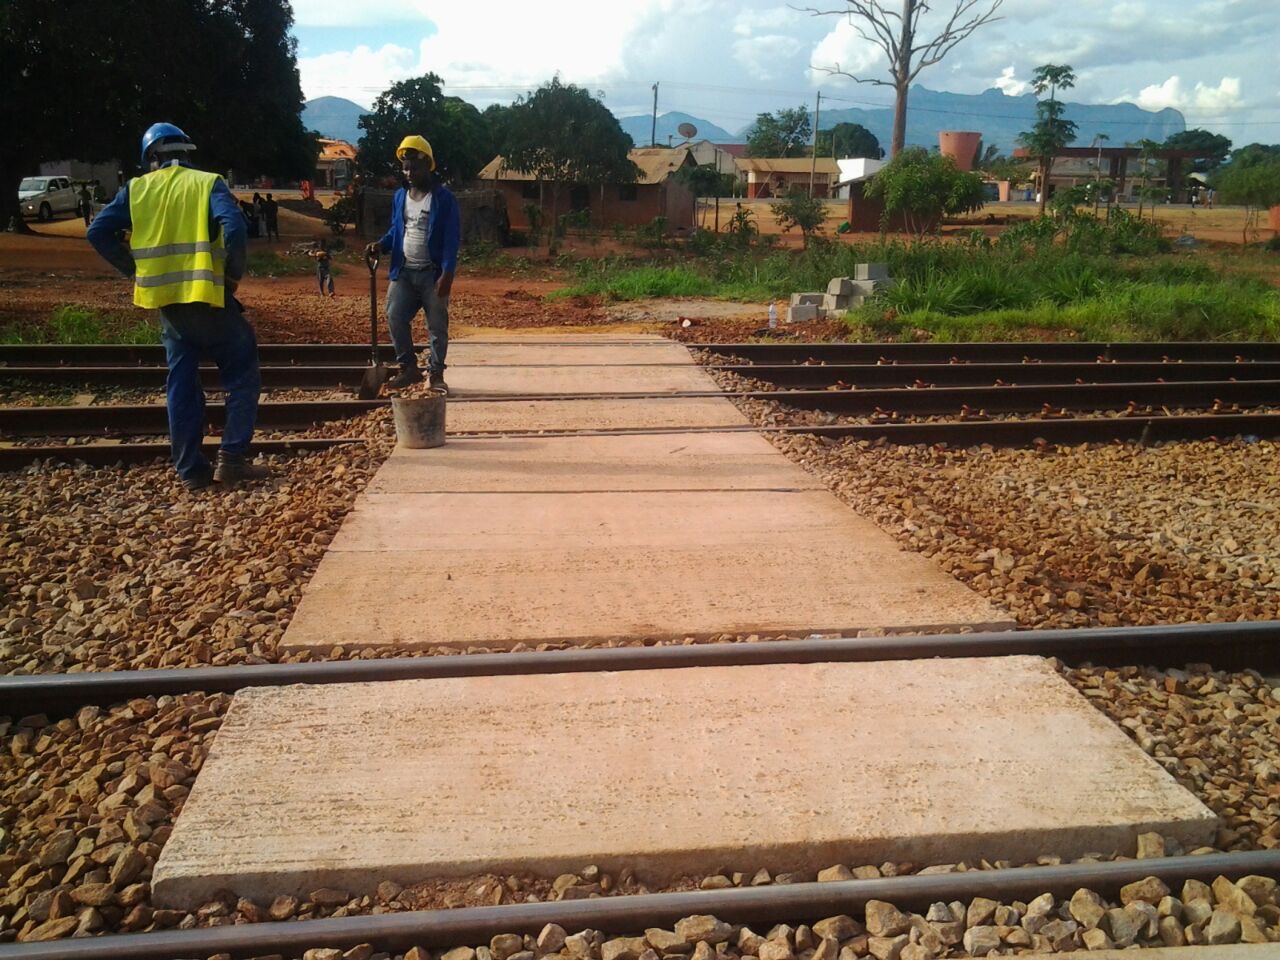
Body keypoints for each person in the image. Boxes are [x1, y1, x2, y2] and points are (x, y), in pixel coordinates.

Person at [87, 122, 266, 492]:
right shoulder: (207, 183)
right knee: (241, 373)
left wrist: (134, 270)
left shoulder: (136, 190)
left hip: (168, 305)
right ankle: (232, 459)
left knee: (181, 384)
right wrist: (232, 276)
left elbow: (97, 231)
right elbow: (234, 228)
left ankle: (190, 471)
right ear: (187, 152)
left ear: (150, 158)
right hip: (208, 297)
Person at [365, 135, 460, 392]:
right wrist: (381, 245)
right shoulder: (400, 196)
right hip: (404, 271)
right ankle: (408, 369)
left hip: (433, 274)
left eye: (414, 168)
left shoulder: (444, 199)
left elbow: (451, 239)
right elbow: (397, 230)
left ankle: (436, 374)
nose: (409, 173)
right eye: (405, 168)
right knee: (395, 316)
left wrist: (448, 273)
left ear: (428, 165)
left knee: (437, 326)